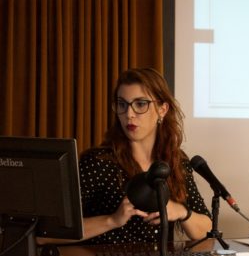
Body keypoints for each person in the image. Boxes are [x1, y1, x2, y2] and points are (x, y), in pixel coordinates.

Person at [73, 68, 211, 244]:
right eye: (122, 104)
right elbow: (48, 234)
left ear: (162, 110)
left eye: (140, 104)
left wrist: (182, 212)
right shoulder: (97, 162)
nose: (129, 114)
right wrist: (112, 220)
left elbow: (207, 229)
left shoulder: (175, 161)